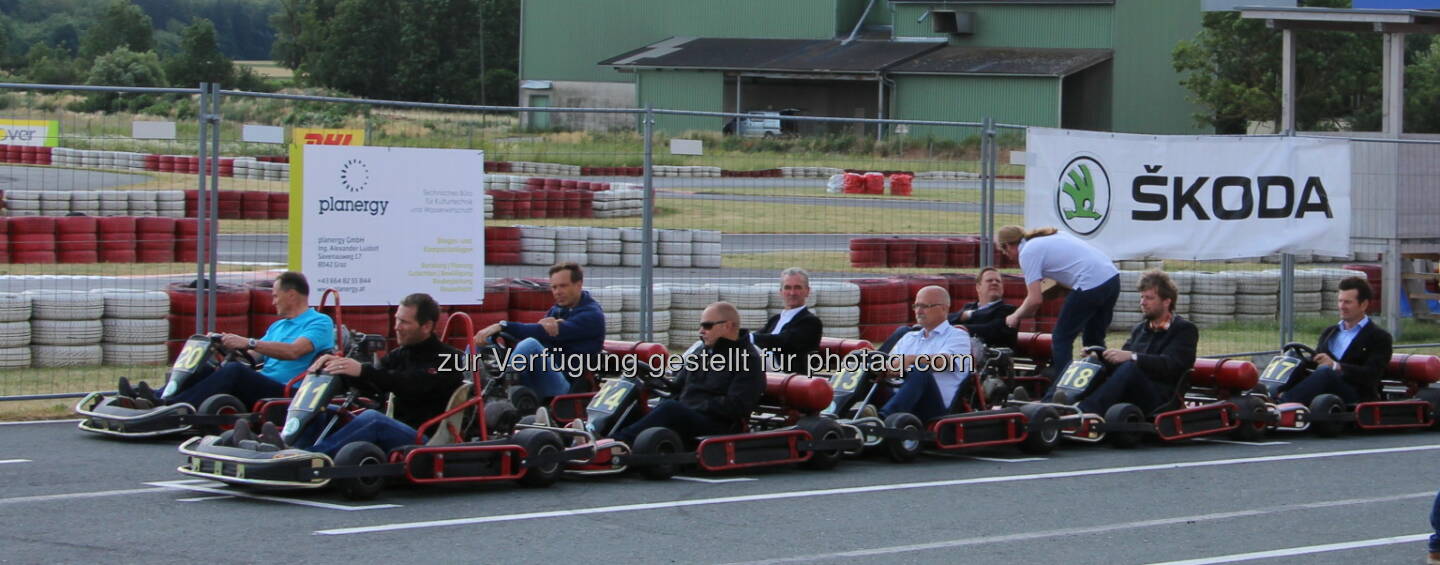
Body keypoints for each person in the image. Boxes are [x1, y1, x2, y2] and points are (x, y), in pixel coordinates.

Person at [237, 293, 467, 454]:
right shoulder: (401, 354)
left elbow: (413, 384)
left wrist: (362, 370)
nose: (396, 327)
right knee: (326, 411)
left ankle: (314, 456)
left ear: (426, 326)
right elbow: (375, 384)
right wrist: (340, 368)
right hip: (398, 427)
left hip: (424, 438)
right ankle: (287, 447)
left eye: (404, 322)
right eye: (397, 319)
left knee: (372, 420)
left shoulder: (453, 358)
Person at [119, 271, 335, 408]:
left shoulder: (319, 322)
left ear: (291, 295)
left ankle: (172, 406)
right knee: (208, 367)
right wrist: (223, 346)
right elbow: (253, 355)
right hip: (264, 381)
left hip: (289, 391)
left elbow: (294, 351)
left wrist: (248, 341)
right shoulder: (278, 325)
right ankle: (152, 397)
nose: (272, 302)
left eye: (275, 296)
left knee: (235, 372)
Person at [612, 302, 765, 445]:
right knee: (638, 403)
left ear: (727, 326)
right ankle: (602, 435)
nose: (701, 331)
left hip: (718, 425)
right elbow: (677, 386)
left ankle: (616, 444)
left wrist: (692, 404)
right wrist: (651, 383)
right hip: (689, 414)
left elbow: (737, 406)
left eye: (707, 326)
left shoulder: (748, 359)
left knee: (670, 409)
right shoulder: (701, 352)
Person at [1061, 270, 1197, 416]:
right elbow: (1121, 363)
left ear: (1166, 301)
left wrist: (1132, 357)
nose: (1142, 303)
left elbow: (1172, 365)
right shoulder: (1140, 329)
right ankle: (1059, 403)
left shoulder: (1183, 329)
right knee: (1091, 363)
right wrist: (1099, 357)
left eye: (1149, 298)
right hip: (1135, 388)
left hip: (1161, 396)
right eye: (1142, 297)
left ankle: (1084, 412)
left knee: (1130, 367)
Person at [997, 225, 1119, 375]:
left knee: (1061, 339)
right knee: (1093, 340)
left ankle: (1062, 387)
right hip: (1112, 278)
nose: (1007, 256)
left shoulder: (1027, 252)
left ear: (1007, 245)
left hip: (1090, 283)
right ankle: (1102, 381)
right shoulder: (1050, 236)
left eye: (1004, 251)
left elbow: (1035, 299)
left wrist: (1015, 316)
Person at [474, 262, 606, 400]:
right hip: (541, 373)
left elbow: (540, 333)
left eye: (563, 286)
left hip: (565, 388)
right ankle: (469, 384)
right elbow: (540, 332)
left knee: (530, 344)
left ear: (579, 284)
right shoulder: (558, 309)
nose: (557, 292)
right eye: (554, 287)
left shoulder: (591, 316)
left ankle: (503, 390)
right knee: (483, 340)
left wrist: (503, 325)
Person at [1277, 277, 1393, 406]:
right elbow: (1316, 362)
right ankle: (1269, 395)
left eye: (1348, 302)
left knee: (1325, 373)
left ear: (1363, 304)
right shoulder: (1330, 332)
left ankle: (1281, 406)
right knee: (1293, 359)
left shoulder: (1379, 337)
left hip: (1356, 394)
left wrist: (1336, 366)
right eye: (1340, 301)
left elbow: (1371, 375)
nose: (1342, 306)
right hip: (1326, 391)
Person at [871, 285, 972, 422]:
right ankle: (841, 410)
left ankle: (883, 418)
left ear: (944, 308)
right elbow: (892, 365)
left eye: (925, 306)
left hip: (934, 409)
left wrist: (911, 360)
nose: (918, 311)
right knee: (868, 366)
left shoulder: (957, 336)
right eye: (916, 306)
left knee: (921, 371)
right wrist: (885, 369)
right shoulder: (909, 337)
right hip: (899, 397)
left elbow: (946, 361)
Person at [751, 267, 822, 373]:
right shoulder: (775, 319)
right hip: (765, 368)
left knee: (746, 351)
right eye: (787, 288)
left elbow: (782, 341)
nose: (792, 293)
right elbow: (759, 337)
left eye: (797, 288)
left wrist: (747, 337)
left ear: (807, 291)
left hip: (788, 373)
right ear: (781, 292)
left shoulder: (811, 322)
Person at [949, 266, 1018, 349]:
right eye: (989, 280)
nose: (994, 283)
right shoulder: (969, 307)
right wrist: (965, 315)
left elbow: (992, 330)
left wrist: (962, 326)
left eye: (998, 281)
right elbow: (946, 320)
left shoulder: (1008, 310)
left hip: (994, 358)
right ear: (978, 287)